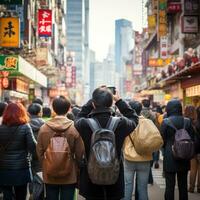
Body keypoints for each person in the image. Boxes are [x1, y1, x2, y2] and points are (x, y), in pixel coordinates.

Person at [75, 87, 138, 200]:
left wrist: (90, 103)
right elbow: (134, 118)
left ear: (93, 104)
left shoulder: (84, 124)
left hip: (91, 179)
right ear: (111, 104)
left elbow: (78, 118)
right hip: (114, 178)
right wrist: (119, 101)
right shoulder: (121, 123)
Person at [37, 96, 85, 200]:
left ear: (53, 109)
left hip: (50, 173)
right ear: (69, 109)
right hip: (70, 173)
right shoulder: (74, 128)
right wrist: (75, 166)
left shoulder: (44, 128)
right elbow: (80, 153)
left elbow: (39, 152)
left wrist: (47, 164)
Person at [0, 103, 36, 200]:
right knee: (21, 195)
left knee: (7, 195)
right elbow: (32, 146)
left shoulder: (1, 128)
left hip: (4, 167)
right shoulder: (26, 127)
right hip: (21, 167)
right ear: (22, 113)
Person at [161, 99, 195, 200]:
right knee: (183, 185)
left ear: (168, 108)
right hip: (184, 155)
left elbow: (161, 140)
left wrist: (166, 148)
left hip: (169, 155)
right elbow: (192, 139)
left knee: (169, 186)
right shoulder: (187, 121)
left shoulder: (166, 122)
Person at [123, 101, 151, 200]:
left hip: (129, 158)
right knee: (143, 188)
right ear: (140, 109)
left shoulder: (125, 122)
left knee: (127, 186)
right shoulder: (148, 122)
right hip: (145, 157)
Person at [141, 99, 159, 184]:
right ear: (149, 105)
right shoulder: (153, 114)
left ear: (142, 104)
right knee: (150, 157)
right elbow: (156, 127)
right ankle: (150, 178)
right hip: (151, 137)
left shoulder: (138, 113)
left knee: (144, 158)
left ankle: (148, 178)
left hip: (141, 138)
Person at [185, 105, 200, 193]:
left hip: (193, 148)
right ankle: (199, 188)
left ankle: (191, 187)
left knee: (193, 169)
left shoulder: (192, 123)